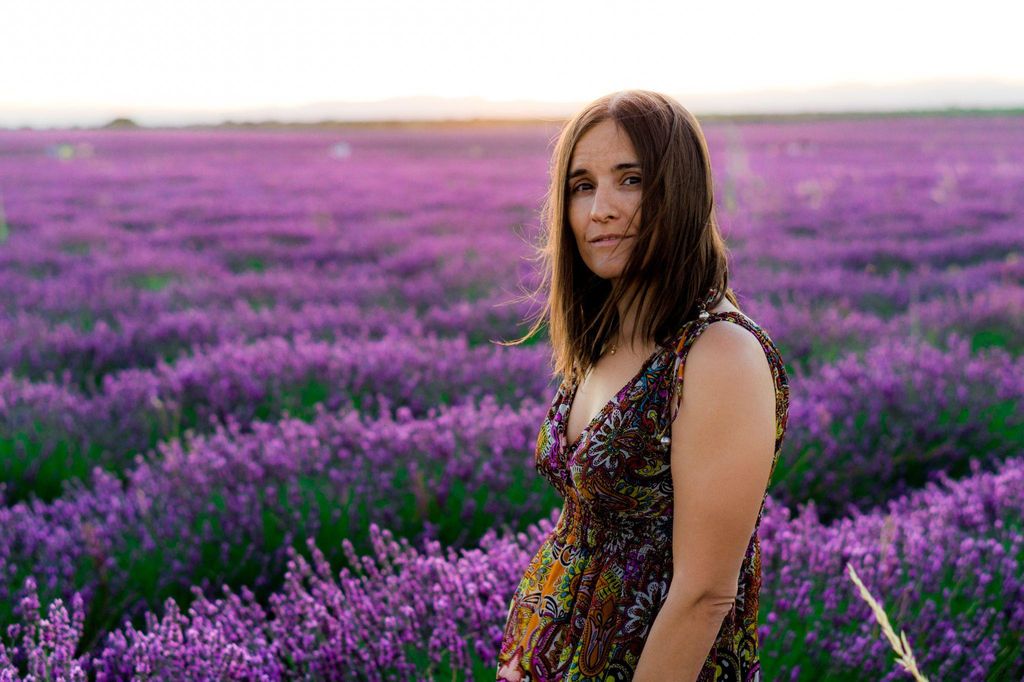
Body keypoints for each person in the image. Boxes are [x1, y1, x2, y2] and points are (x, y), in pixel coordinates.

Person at [495, 90, 790, 681]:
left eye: (630, 180)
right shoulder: (605, 342)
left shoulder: (716, 354)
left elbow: (705, 594)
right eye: (582, 186)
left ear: (681, 193)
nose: (600, 209)